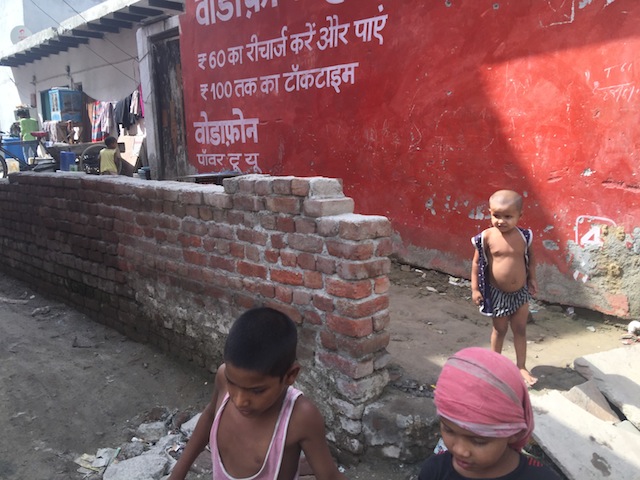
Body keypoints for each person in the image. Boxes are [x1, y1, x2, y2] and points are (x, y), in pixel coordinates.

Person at [168, 307, 347, 480]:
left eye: (257, 391)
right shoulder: (223, 376)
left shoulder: (300, 417)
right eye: (233, 383)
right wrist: (178, 473)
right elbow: (209, 417)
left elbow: (329, 476)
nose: (239, 401)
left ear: (290, 375)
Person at [418, 347, 561, 479]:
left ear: (514, 433)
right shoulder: (434, 471)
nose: (461, 450)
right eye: (448, 430)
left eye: (479, 441)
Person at [471, 190, 538, 386]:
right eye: (496, 215)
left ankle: (521, 367)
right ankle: (495, 367)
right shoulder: (486, 237)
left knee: (520, 329)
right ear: (489, 212)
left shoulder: (525, 236)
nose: (501, 221)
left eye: (508, 216)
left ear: (520, 216)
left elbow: (532, 258)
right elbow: (476, 264)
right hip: (497, 293)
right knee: (499, 330)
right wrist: (475, 289)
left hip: (521, 293)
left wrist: (532, 278)